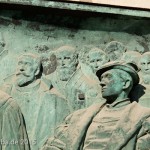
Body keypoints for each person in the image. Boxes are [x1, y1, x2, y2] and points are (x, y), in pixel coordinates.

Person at [42, 61, 150, 150]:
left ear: (125, 84)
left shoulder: (143, 118)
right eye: (101, 79)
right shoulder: (79, 117)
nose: (102, 83)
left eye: (108, 77)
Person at [1, 53, 70, 150]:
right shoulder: (4, 93)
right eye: (20, 63)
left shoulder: (55, 99)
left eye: (27, 64)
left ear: (37, 70)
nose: (21, 68)